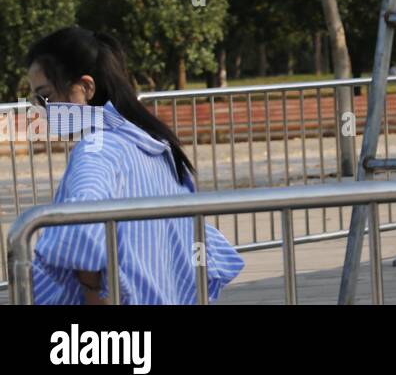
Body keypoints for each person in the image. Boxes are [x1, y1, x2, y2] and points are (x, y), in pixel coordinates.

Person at [25, 27, 244, 304]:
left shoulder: (96, 151)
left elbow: (82, 228)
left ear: (86, 87)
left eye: (45, 96)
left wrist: (93, 296)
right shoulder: (151, 140)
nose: (40, 109)